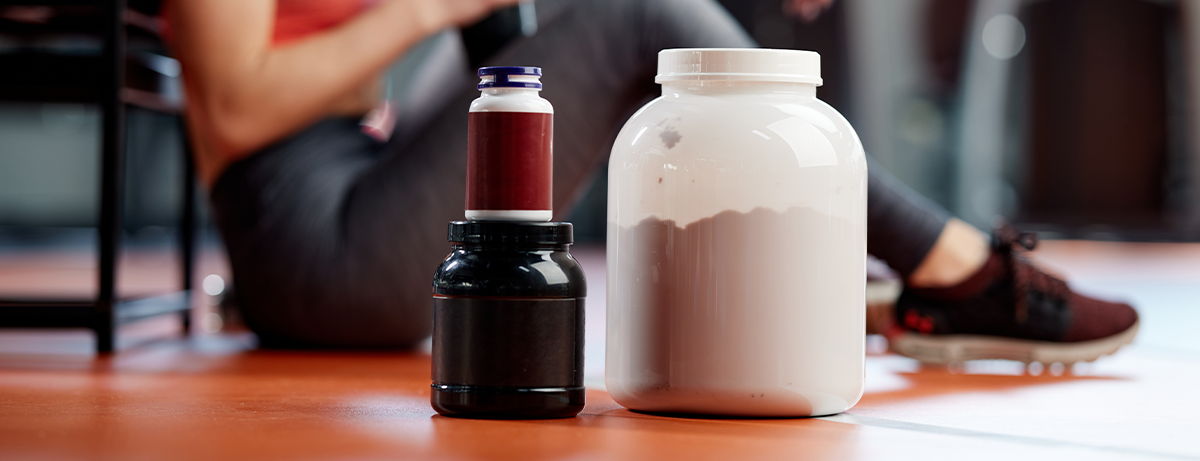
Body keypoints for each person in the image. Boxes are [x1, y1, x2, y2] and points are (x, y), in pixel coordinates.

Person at [165, 0, 1138, 363]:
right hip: (310, 247)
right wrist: (425, 9)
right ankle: (949, 267)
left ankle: (832, 273)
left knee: (597, 29)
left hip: (360, 181)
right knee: (636, 22)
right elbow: (235, 107)